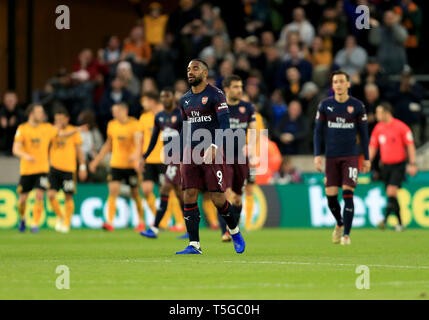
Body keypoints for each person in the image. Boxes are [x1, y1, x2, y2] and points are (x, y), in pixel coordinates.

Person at [176, 59, 245, 254]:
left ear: (205, 73)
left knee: (218, 198)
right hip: (191, 154)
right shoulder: (185, 99)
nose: (190, 72)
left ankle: (235, 232)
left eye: (195, 68)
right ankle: (194, 244)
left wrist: (215, 146)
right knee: (188, 195)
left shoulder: (216, 95)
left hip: (212, 154)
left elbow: (225, 125)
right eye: (188, 69)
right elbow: (185, 128)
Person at [313, 70, 371, 245]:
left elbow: (364, 133)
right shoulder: (324, 105)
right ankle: (339, 223)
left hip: (350, 156)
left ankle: (346, 235)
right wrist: (317, 155)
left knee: (348, 193)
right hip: (331, 157)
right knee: (331, 197)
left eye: (341, 81)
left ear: (348, 84)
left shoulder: (358, 106)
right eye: (335, 82)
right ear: (333, 85)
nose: (338, 84)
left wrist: (366, 158)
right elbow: (317, 132)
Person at [12, 104, 82, 232]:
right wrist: (25, 155)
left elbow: (61, 134)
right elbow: (15, 149)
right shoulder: (22, 129)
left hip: (43, 169)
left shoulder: (47, 128)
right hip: (27, 169)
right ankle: (22, 218)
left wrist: (76, 130)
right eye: (39, 112)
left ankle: (35, 224)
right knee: (22, 200)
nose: (42, 114)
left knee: (40, 195)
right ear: (31, 114)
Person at [89, 103, 145, 232]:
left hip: (131, 165)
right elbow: (108, 145)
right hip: (116, 164)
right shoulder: (112, 125)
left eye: (117, 111)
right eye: (113, 111)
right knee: (113, 191)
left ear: (125, 111)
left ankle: (141, 221)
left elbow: (139, 143)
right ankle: (110, 222)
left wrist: (136, 156)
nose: (115, 114)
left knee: (135, 193)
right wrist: (96, 161)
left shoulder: (135, 124)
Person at [140, 87, 186, 239]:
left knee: (165, 189)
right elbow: (154, 139)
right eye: (163, 97)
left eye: (168, 96)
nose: (165, 99)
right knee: (179, 194)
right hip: (168, 159)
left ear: (173, 98)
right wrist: (144, 156)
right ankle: (190, 229)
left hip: (178, 158)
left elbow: (187, 135)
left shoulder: (181, 114)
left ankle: (154, 228)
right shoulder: (159, 116)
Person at [369, 102, 417, 231]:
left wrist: (412, 164)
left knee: (391, 191)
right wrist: (367, 162)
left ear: (386, 112)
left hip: (399, 165)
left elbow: (410, 146)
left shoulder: (401, 127)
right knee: (391, 195)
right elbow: (373, 146)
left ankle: (384, 220)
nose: (376, 115)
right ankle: (400, 224)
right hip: (385, 166)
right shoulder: (378, 128)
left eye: (379, 112)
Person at [220, 74, 258, 239]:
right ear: (227, 89)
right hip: (223, 157)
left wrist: (251, 145)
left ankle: (233, 228)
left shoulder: (248, 107)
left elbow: (254, 129)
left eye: (241, 87)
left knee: (237, 198)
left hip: (241, 159)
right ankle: (226, 232)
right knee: (225, 194)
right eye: (236, 87)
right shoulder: (219, 108)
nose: (239, 90)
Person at [47, 107, 87, 233]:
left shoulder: (73, 131)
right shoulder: (52, 131)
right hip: (54, 168)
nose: (58, 122)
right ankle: (60, 216)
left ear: (67, 119)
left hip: (69, 169)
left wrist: (82, 166)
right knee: (51, 195)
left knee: (68, 196)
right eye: (56, 119)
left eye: (61, 119)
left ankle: (67, 222)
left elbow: (79, 151)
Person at [139, 91, 165, 218]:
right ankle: (158, 218)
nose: (143, 104)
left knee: (166, 191)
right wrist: (140, 157)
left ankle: (177, 222)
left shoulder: (168, 114)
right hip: (149, 160)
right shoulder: (144, 118)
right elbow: (141, 139)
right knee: (146, 190)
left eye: (144, 101)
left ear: (152, 101)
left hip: (164, 159)